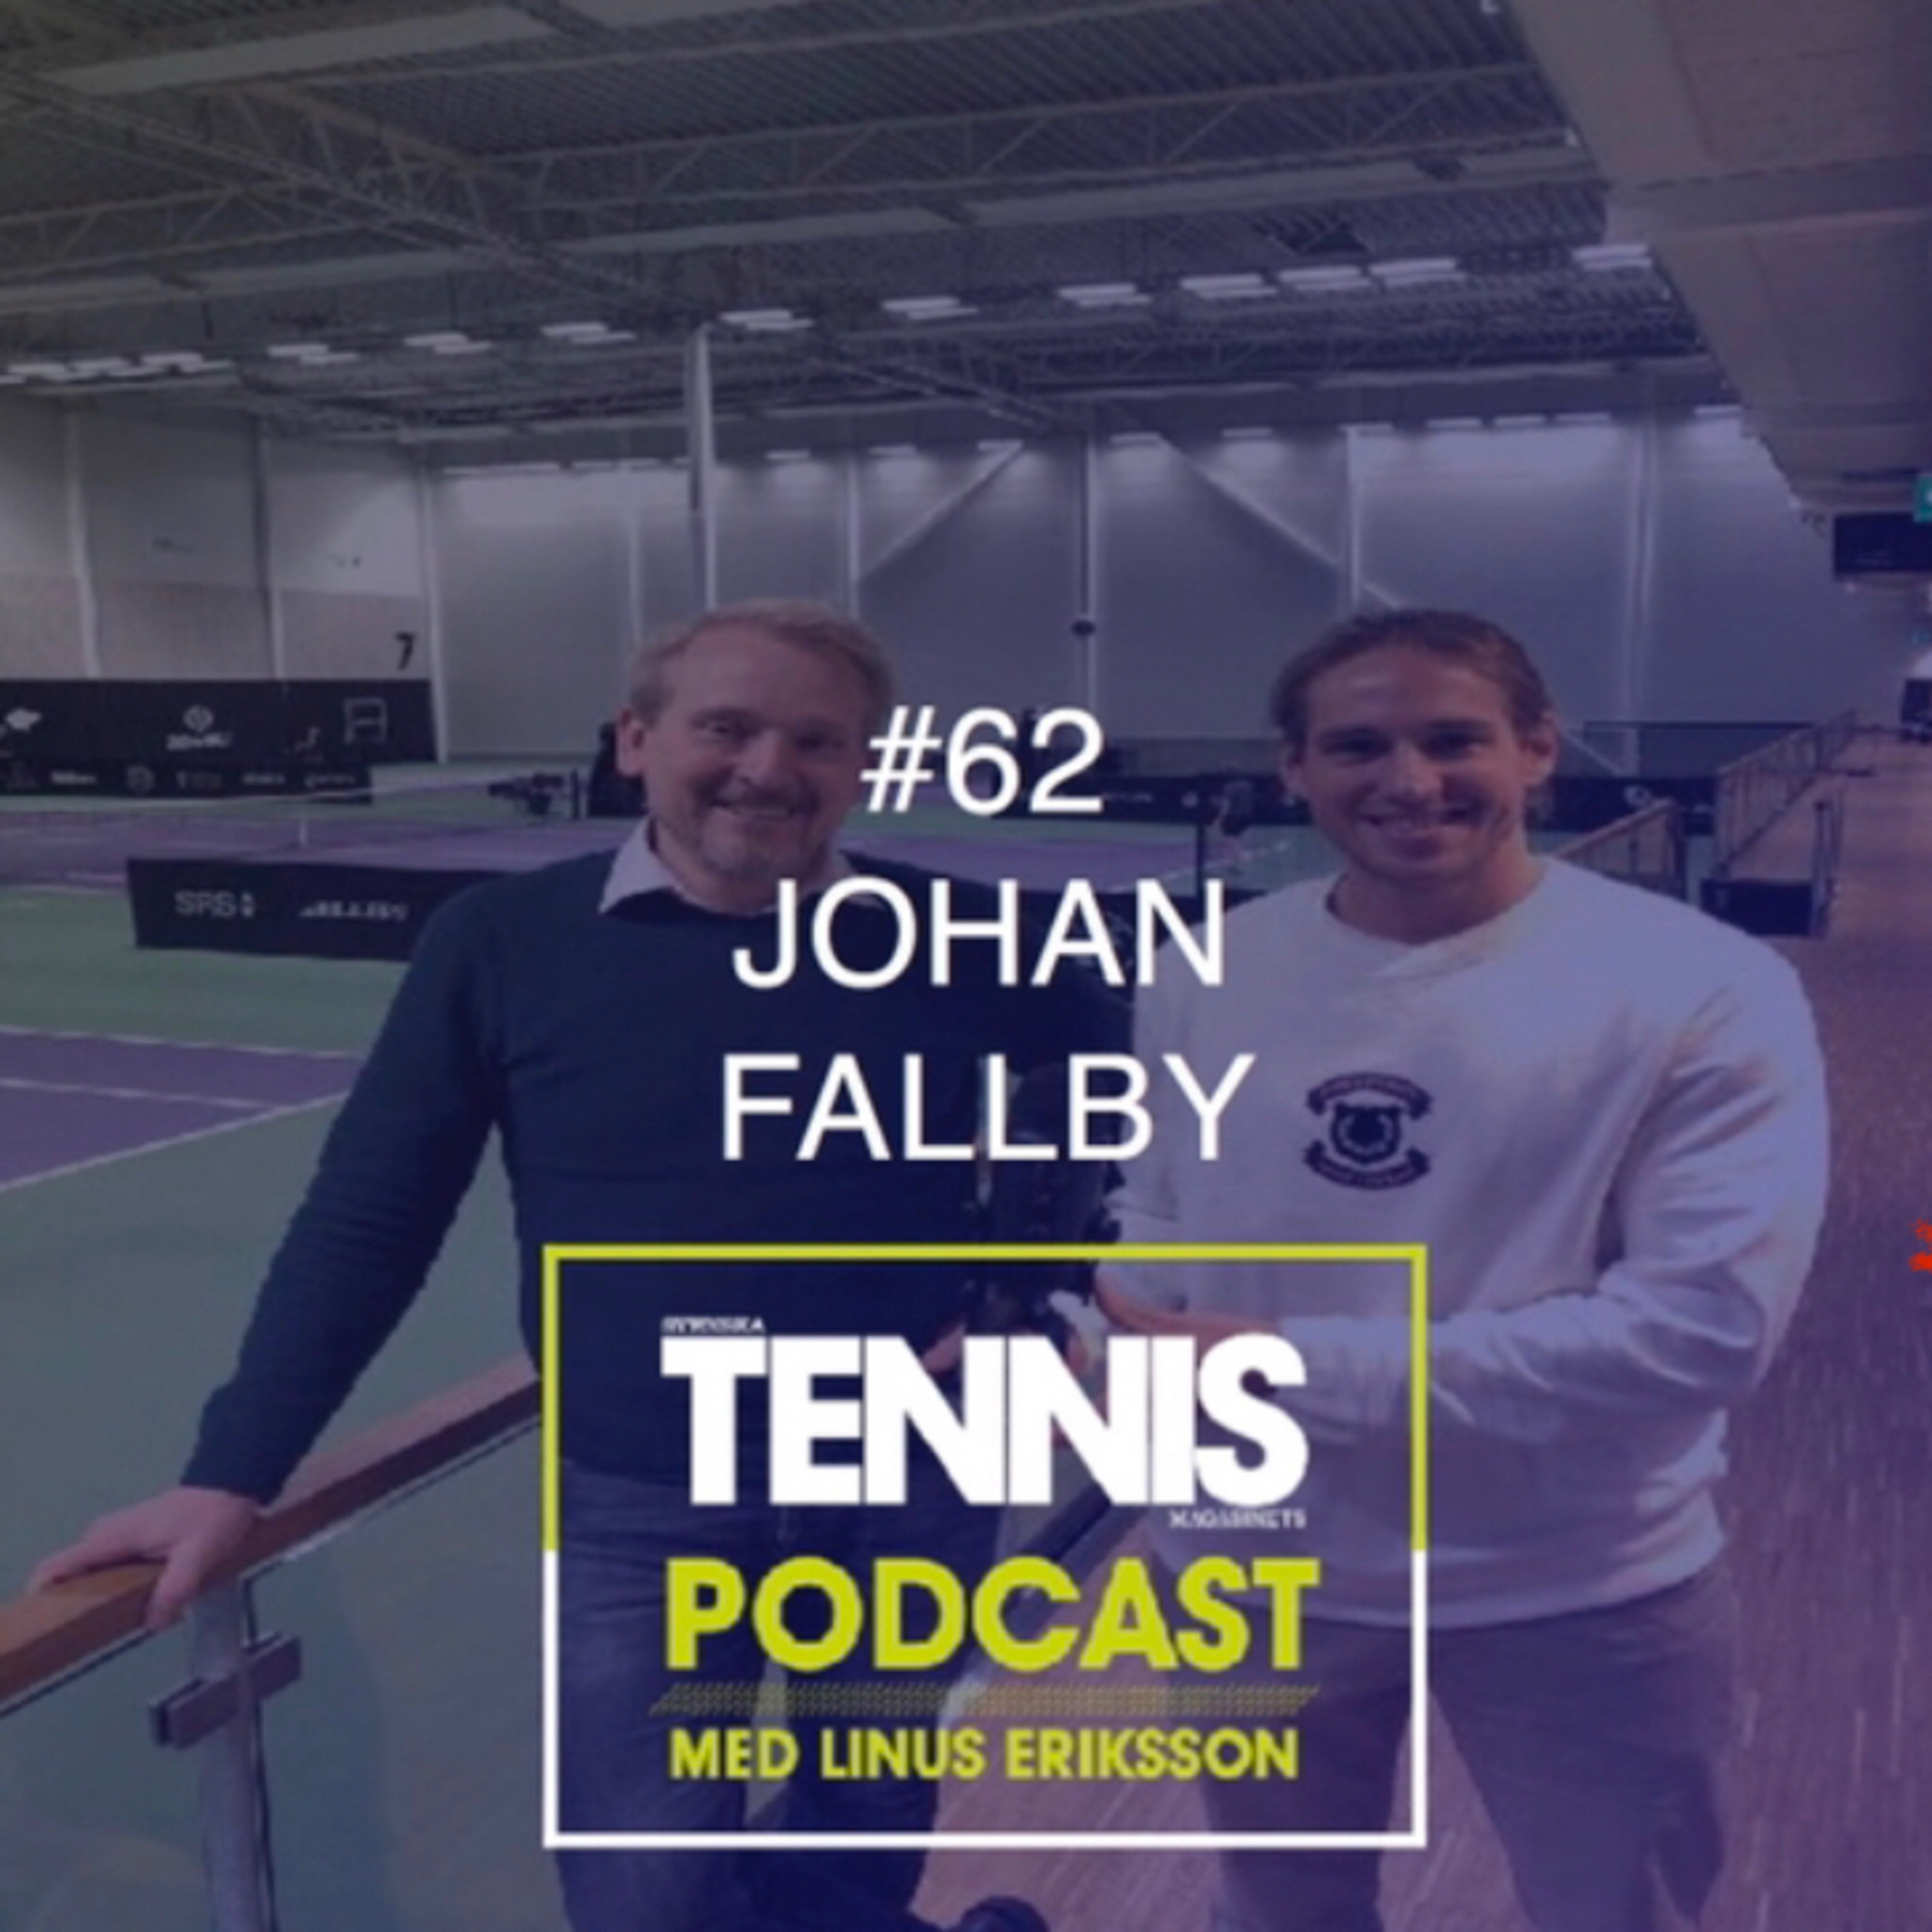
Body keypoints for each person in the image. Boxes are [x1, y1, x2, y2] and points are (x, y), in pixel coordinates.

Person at [32, 599, 1121, 1932]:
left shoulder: (983, 939)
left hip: (915, 1471)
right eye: (727, 727)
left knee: (863, 1824)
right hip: (638, 1493)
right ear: (635, 739)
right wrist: (234, 1469)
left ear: (860, 767)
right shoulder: (502, 942)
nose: (768, 769)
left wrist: (1036, 1300)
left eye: (817, 741)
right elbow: (371, 1216)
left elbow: (1122, 1137)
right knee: (640, 1881)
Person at [1100, 607, 1828, 1932]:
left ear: (1538, 748)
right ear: (1296, 768)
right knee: (1278, 1910)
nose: (1410, 780)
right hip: (1251, 1572)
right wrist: (1091, 1354)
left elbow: (1701, 1335)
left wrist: (1278, 1368)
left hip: (1577, 1583)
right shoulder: (1207, 967)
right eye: (1358, 746)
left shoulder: (1705, 986)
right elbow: (1159, 1224)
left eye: (1453, 739)